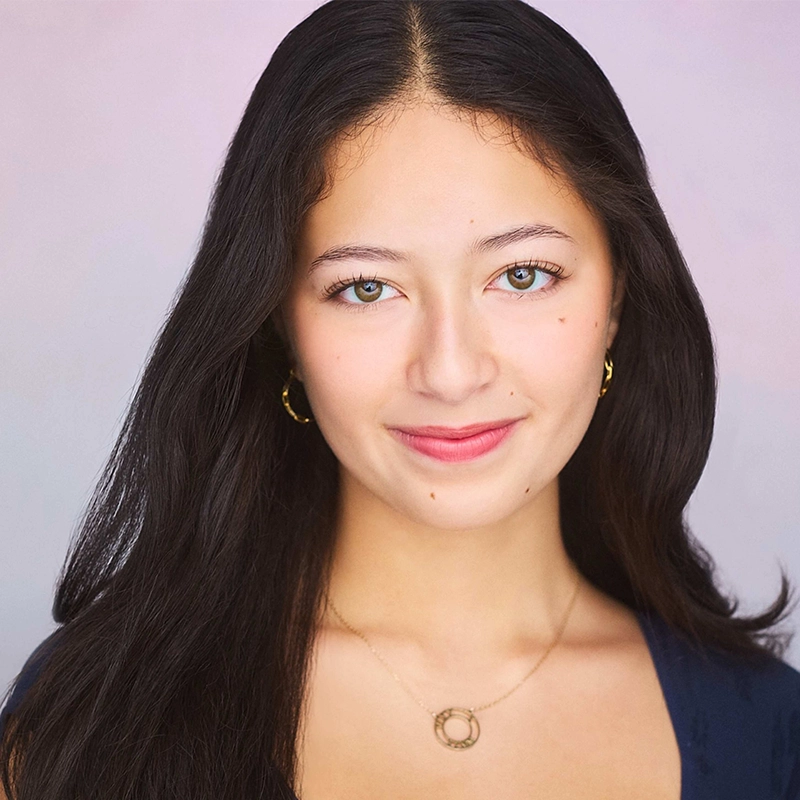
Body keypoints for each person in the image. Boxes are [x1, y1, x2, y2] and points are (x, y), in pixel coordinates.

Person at [1, 1, 798, 798]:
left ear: (620, 293)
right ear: (279, 321)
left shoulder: (770, 738)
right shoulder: (94, 726)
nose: (450, 372)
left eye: (522, 275)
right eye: (366, 287)